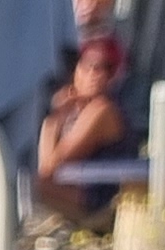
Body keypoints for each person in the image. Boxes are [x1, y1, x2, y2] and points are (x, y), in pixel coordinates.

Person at [37, 35, 131, 222]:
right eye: (88, 65)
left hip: (102, 204)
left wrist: (54, 118)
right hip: (82, 191)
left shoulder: (102, 110)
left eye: (106, 68)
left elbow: (50, 166)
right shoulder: (80, 109)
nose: (95, 74)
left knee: (24, 186)